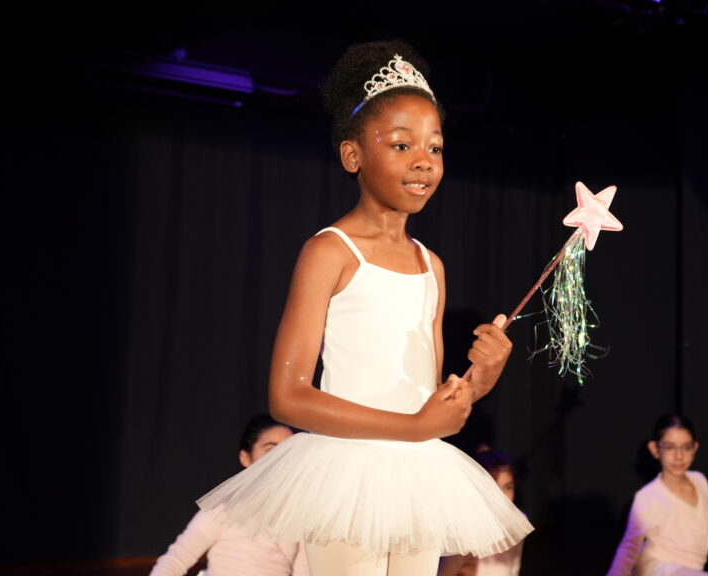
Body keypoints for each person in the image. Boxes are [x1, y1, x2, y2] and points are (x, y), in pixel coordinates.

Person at [194, 39, 533, 576]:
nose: (423, 160)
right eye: (401, 145)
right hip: (348, 475)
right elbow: (287, 396)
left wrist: (482, 378)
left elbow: (438, 400)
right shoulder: (329, 251)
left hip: (418, 471)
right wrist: (416, 426)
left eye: (436, 147)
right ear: (353, 155)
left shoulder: (431, 265)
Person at [149, 413, 309, 576]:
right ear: (246, 458)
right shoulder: (224, 510)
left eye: (287, 451)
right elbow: (175, 560)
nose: (279, 459)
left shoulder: (297, 516)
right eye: (270, 450)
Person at [606, 413, 708, 576]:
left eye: (686, 447)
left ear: (695, 448)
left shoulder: (700, 481)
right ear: (655, 449)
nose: (679, 456)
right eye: (669, 447)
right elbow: (628, 552)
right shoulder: (648, 497)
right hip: (659, 569)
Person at [437, 449, 526, 576]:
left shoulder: (518, 521)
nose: (502, 497)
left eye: (508, 487)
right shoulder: (465, 527)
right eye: (493, 487)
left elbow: (513, 568)